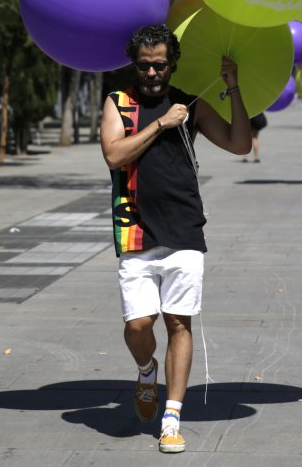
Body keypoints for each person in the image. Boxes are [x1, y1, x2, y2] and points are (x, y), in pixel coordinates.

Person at [99, 24, 251, 454]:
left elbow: (241, 144)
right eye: (145, 66)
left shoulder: (192, 102)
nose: (152, 73)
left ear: (173, 63)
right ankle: (146, 369)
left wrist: (233, 88)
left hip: (184, 229)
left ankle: (171, 418)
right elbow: (114, 155)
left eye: (160, 65)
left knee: (178, 323)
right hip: (136, 228)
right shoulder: (119, 103)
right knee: (138, 325)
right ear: (135, 64)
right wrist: (162, 124)